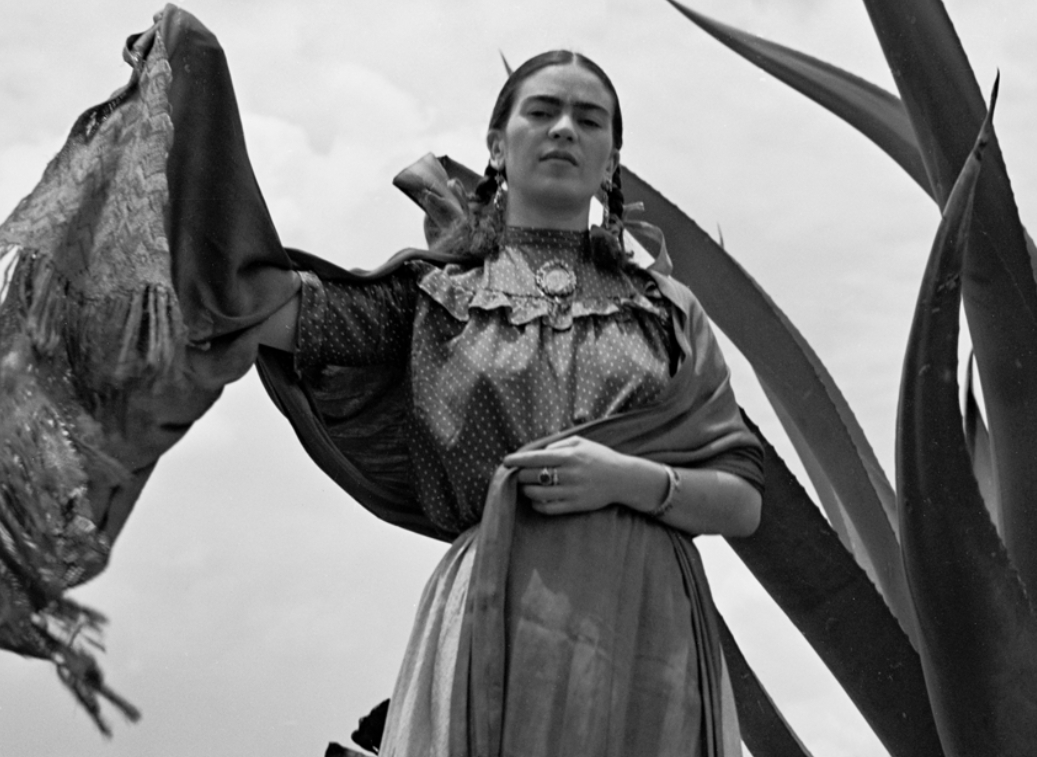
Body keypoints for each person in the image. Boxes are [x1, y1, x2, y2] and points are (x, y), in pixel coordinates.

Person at [255, 50, 764, 757]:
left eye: (589, 120)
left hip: (651, 632)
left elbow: (741, 499)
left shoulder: (665, 311)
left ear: (611, 160)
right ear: (497, 146)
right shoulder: (438, 296)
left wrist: (626, 479)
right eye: (542, 111)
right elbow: (270, 312)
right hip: (491, 616)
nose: (564, 129)